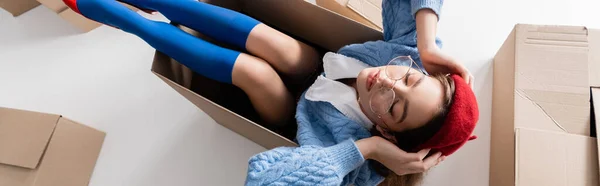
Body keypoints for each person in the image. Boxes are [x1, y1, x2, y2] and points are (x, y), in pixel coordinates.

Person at [63, 0, 479, 185]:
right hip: (315, 66)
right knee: (282, 48)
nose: (387, 83)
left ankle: (129, 20)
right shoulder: (410, 55)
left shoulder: (367, 159)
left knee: (257, 74)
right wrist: (427, 42)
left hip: (294, 112)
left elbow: (265, 179)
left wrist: (366, 150)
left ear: (390, 133)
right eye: (408, 80)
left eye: (396, 107)